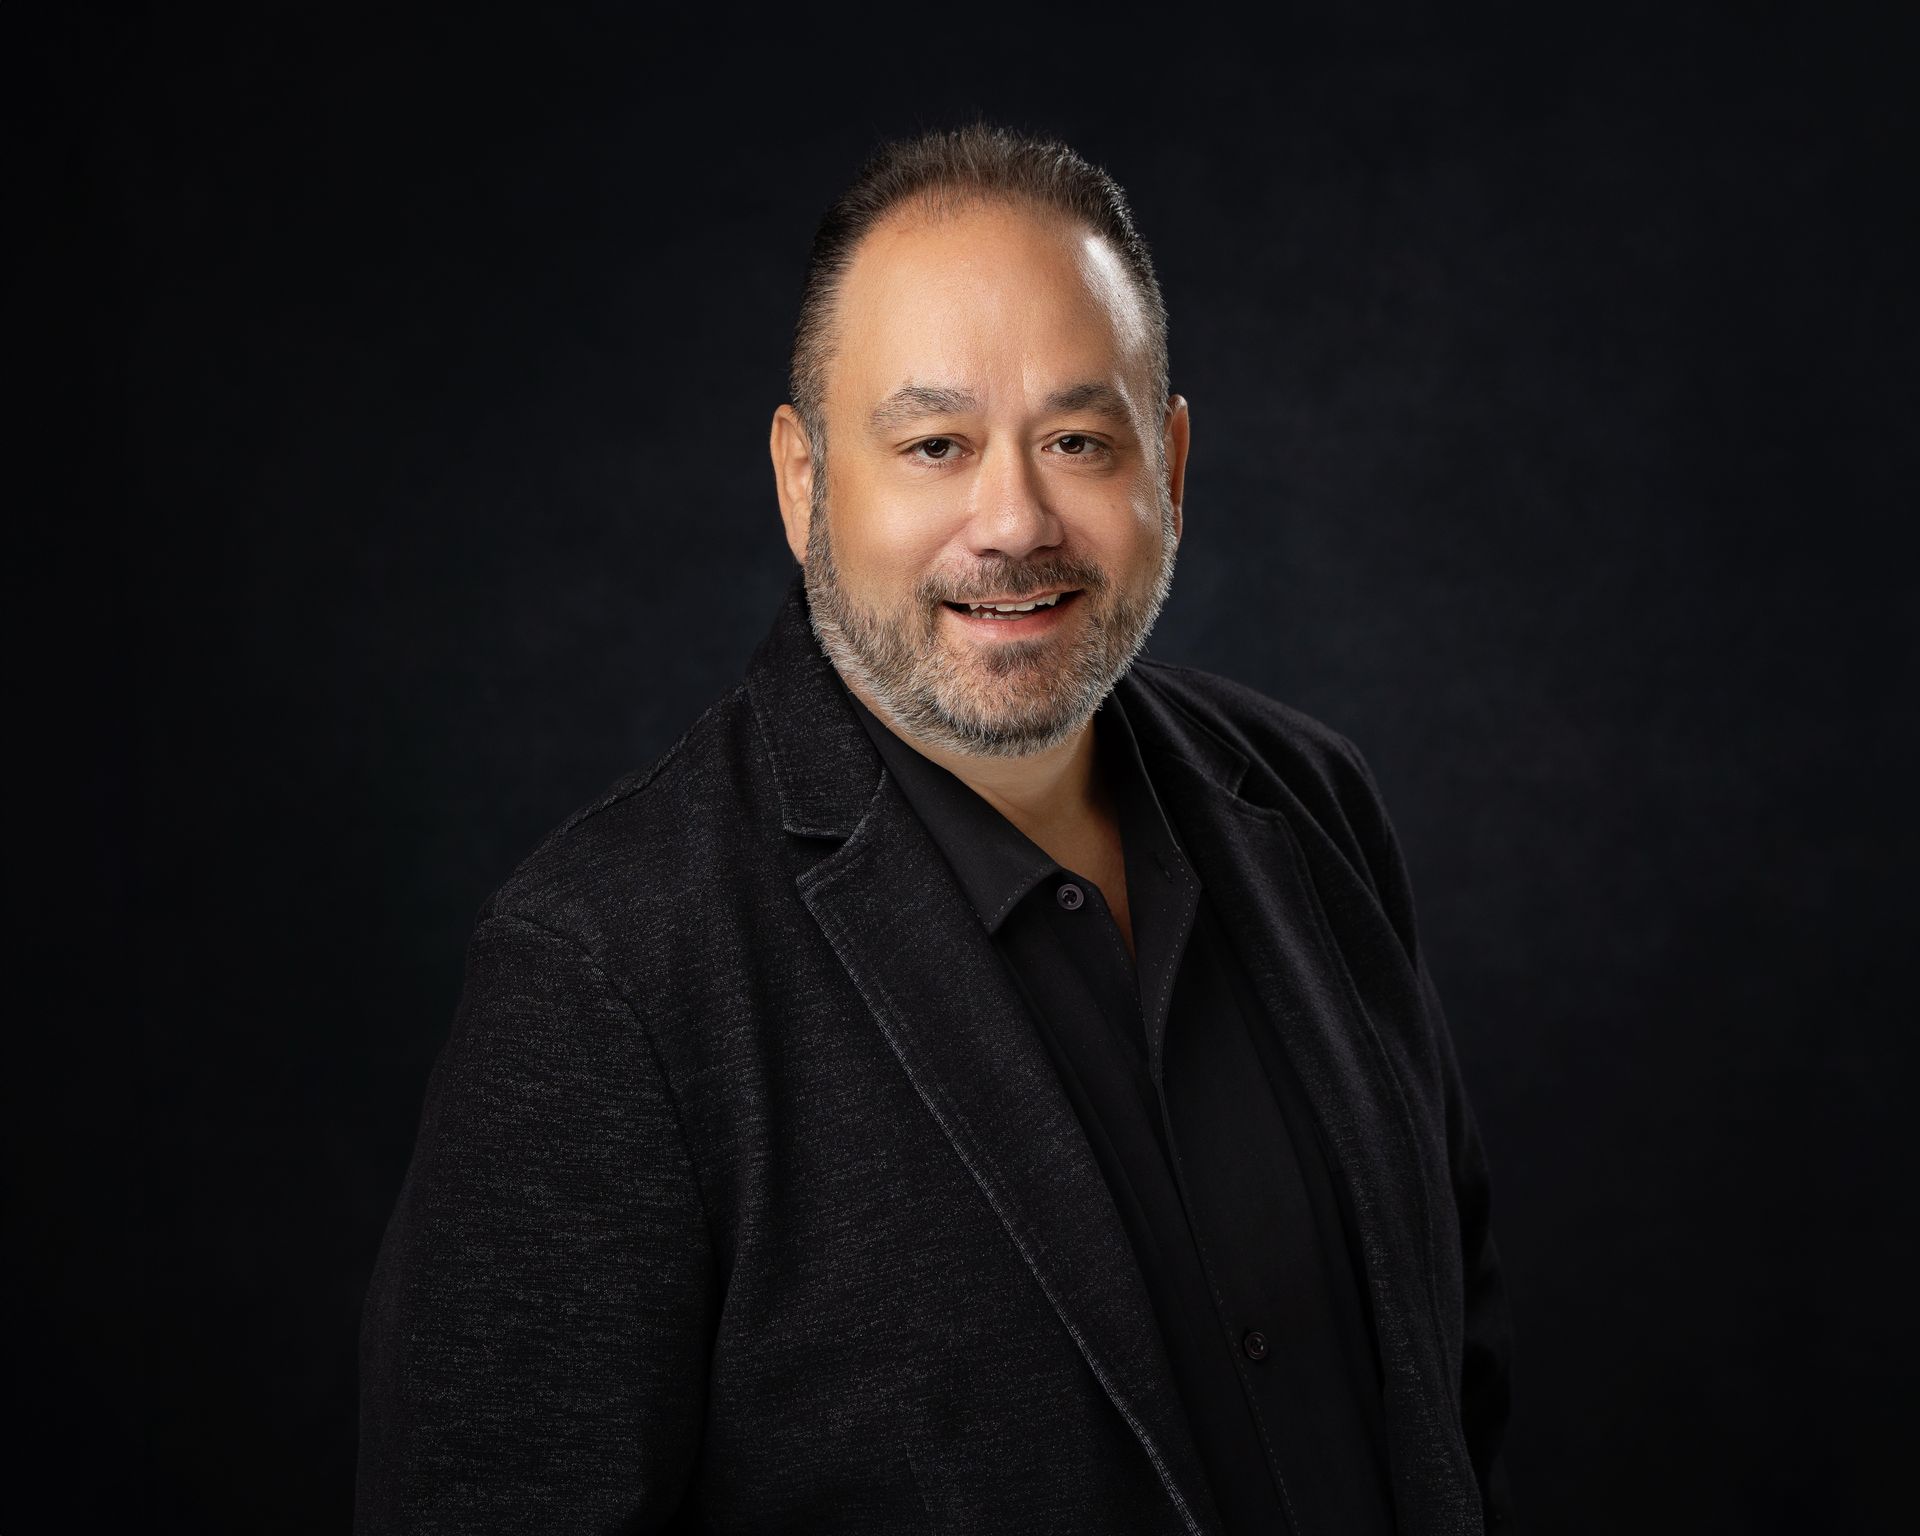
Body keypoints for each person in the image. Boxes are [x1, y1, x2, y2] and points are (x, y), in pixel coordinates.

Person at [356, 123, 1514, 1536]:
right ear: (802, 485)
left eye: (1079, 440)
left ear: (1174, 465)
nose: (1013, 518)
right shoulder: (609, 971)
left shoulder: (1313, 803)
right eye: (934, 443)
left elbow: (1446, 1394)